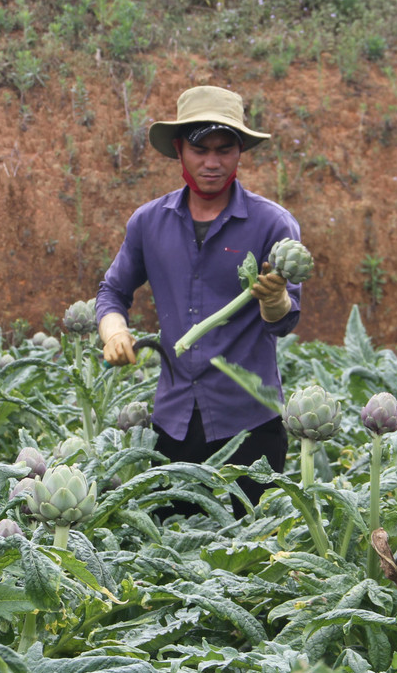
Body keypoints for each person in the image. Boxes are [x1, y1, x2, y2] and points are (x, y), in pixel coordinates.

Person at [95, 86, 302, 515]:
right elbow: (113, 292)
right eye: (200, 149)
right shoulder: (148, 223)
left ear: (240, 151)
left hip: (251, 426)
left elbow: (283, 321)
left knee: (248, 559)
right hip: (171, 426)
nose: (212, 162)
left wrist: (274, 298)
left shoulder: (273, 224)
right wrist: (114, 331)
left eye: (225, 150)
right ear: (178, 150)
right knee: (168, 558)